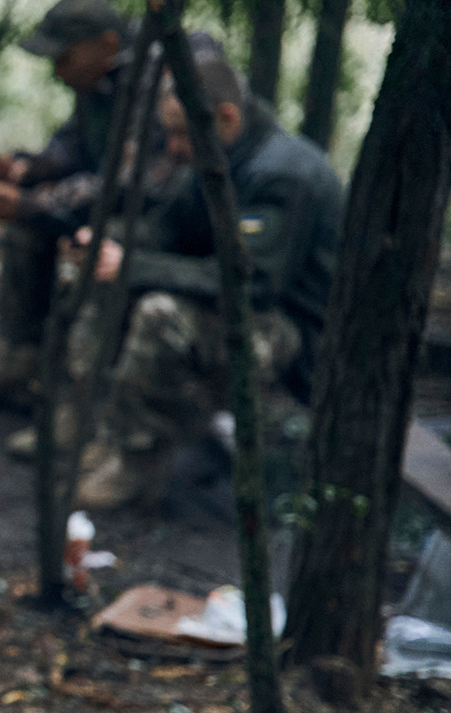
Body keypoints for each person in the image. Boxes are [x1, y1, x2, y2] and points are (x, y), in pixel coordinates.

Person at [70, 55, 343, 510]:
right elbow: (167, 230)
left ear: (227, 117)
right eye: (170, 133)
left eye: (181, 133)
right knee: (109, 277)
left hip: (296, 334)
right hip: (247, 310)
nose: (174, 148)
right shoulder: (219, 157)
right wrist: (104, 242)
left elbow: (252, 283)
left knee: (160, 315)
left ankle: (139, 460)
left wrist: (132, 266)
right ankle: (110, 430)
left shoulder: (283, 174)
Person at [0, 0, 218, 411]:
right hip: (111, 207)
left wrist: (35, 203)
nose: (57, 69)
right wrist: (23, 170)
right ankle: (23, 361)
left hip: (164, 222)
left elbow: (137, 182)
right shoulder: (96, 82)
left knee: (93, 248)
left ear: (106, 44)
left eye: (64, 56)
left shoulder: (161, 77)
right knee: (26, 232)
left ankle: (82, 400)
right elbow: (70, 150)